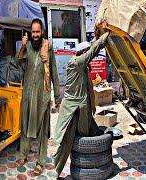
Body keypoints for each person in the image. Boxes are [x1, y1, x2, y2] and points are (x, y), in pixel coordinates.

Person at [53, 21, 110, 177]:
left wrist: (98, 33)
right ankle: (54, 172)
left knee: (94, 133)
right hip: (74, 111)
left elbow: (92, 48)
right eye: (85, 52)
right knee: (69, 143)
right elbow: (93, 51)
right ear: (80, 53)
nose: (87, 55)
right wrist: (105, 35)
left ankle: (95, 164)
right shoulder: (77, 63)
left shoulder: (81, 64)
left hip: (84, 108)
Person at [16, 18, 61, 176]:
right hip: (28, 94)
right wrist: (22, 47)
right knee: (25, 124)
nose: (35, 34)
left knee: (42, 130)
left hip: (42, 95)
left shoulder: (47, 47)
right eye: (33, 32)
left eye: (37, 32)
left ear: (42, 32)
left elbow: (54, 71)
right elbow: (18, 64)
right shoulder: (27, 46)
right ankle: (23, 154)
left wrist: (57, 97)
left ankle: (41, 162)